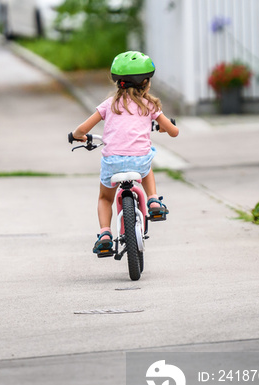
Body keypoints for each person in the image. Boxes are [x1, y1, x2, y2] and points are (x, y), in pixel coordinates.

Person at [68, 51, 179, 256]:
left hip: (113, 163)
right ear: (146, 82)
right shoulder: (150, 105)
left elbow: (82, 129)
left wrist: (78, 136)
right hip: (139, 162)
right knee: (147, 164)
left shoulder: (108, 105)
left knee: (105, 198)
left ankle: (105, 235)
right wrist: (165, 128)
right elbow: (174, 132)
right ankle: (153, 199)